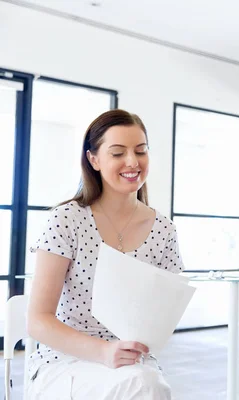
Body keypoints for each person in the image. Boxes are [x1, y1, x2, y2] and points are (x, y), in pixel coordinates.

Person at [26, 109, 184, 399]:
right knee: (144, 385)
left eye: (141, 150)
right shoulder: (67, 219)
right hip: (64, 361)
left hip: (132, 363)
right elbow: (38, 320)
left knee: (145, 381)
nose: (132, 162)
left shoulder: (164, 230)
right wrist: (103, 351)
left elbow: (162, 311)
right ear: (94, 159)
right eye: (117, 153)